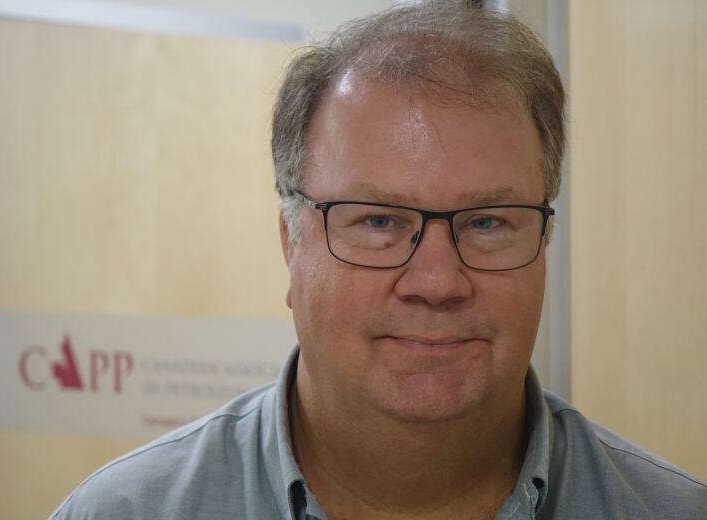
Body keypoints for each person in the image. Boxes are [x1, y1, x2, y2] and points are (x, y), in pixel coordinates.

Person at [50, 1, 707, 518]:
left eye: (487, 222)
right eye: (380, 221)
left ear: (543, 246)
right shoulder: (127, 511)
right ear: (291, 244)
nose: (437, 281)